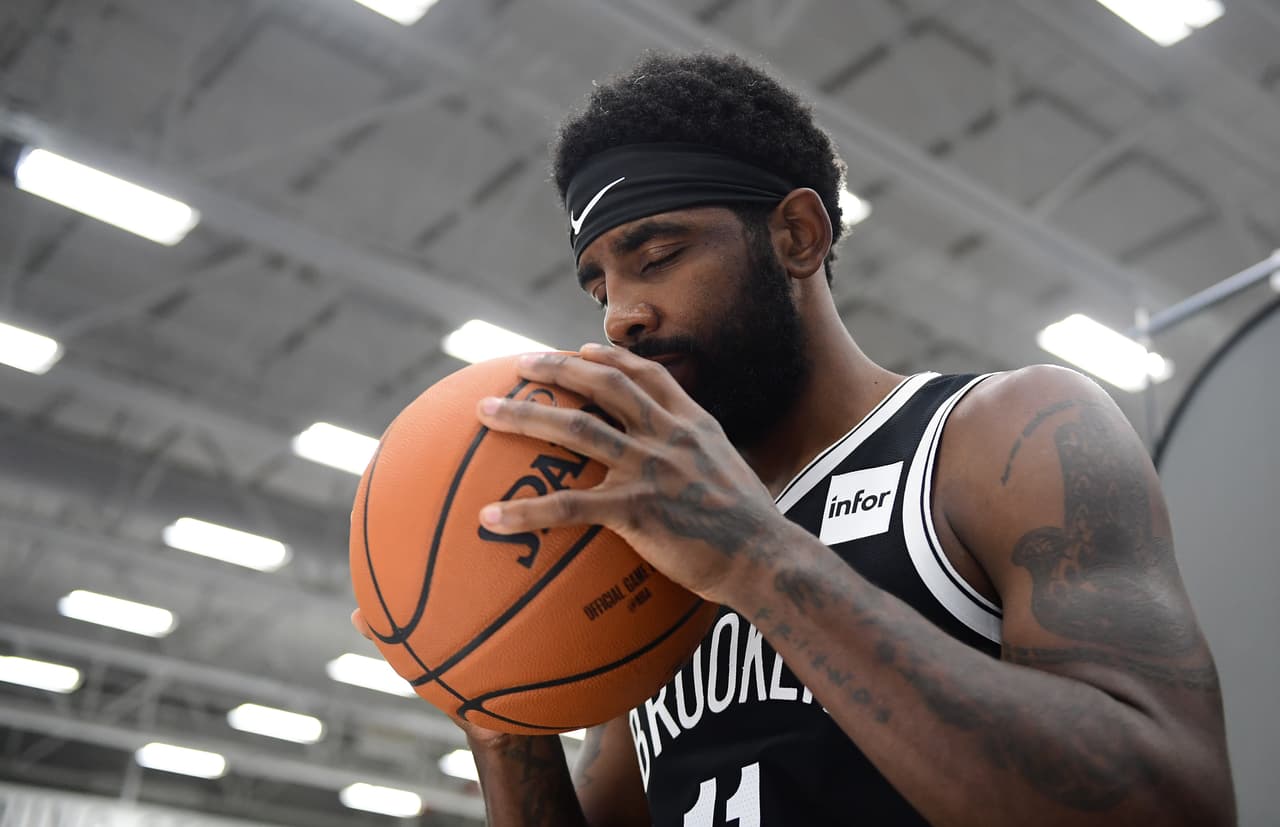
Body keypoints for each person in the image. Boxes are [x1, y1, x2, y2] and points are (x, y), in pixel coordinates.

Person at [358, 52, 1235, 825]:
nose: (623, 315)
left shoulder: (1005, 434)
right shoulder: (640, 559)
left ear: (797, 235)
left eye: (657, 255)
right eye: (599, 286)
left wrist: (760, 561)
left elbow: (1174, 802)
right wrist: (492, 698)